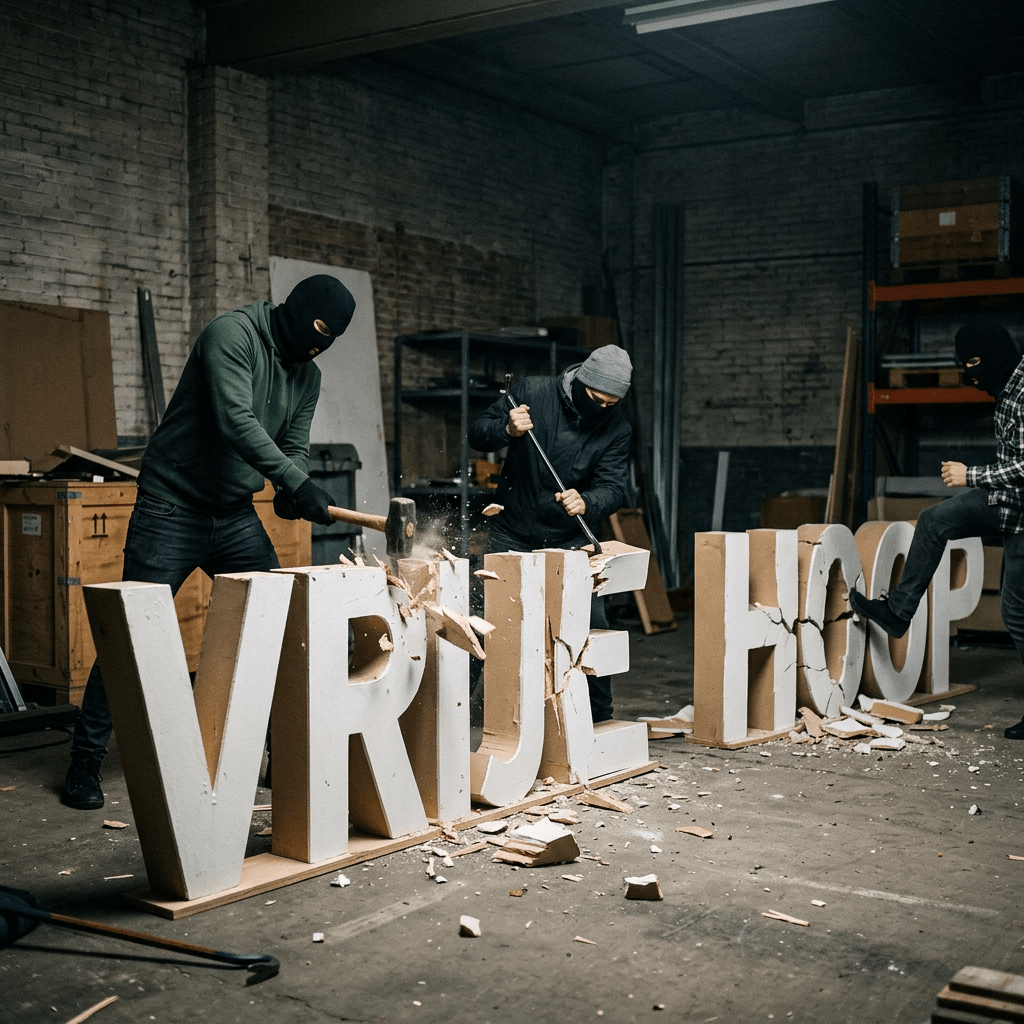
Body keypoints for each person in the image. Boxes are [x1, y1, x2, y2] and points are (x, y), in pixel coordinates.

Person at [60, 275, 356, 809]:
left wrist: (293, 484)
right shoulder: (231, 335)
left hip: (233, 514)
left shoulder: (305, 376)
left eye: (326, 342)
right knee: (130, 633)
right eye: (313, 333)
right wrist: (294, 482)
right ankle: (83, 763)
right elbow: (234, 421)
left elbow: (293, 442)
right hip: (170, 506)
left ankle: (276, 755)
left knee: (280, 622)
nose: (315, 349)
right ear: (291, 311)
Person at [849, 318, 1024, 740]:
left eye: (976, 364)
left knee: (1016, 613)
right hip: (1009, 502)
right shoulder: (1009, 387)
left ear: (997, 354)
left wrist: (972, 475)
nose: (973, 376)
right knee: (935, 520)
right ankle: (898, 613)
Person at [468, 344, 633, 722]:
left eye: (611, 404)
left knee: (592, 627)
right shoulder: (532, 392)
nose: (602, 409)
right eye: (596, 399)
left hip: (568, 538)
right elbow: (478, 433)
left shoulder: (617, 427)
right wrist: (506, 429)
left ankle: (600, 717)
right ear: (583, 383)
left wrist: (588, 500)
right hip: (512, 529)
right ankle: (452, 708)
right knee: (481, 619)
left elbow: (614, 487)